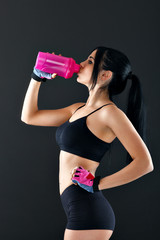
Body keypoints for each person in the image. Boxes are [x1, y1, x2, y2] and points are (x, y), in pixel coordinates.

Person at [21, 46, 154, 240]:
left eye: (90, 61)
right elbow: (29, 117)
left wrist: (97, 184)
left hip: (88, 211)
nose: (81, 64)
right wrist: (37, 77)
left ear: (105, 75)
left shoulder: (111, 113)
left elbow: (145, 163)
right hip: (76, 206)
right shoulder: (77, 109)